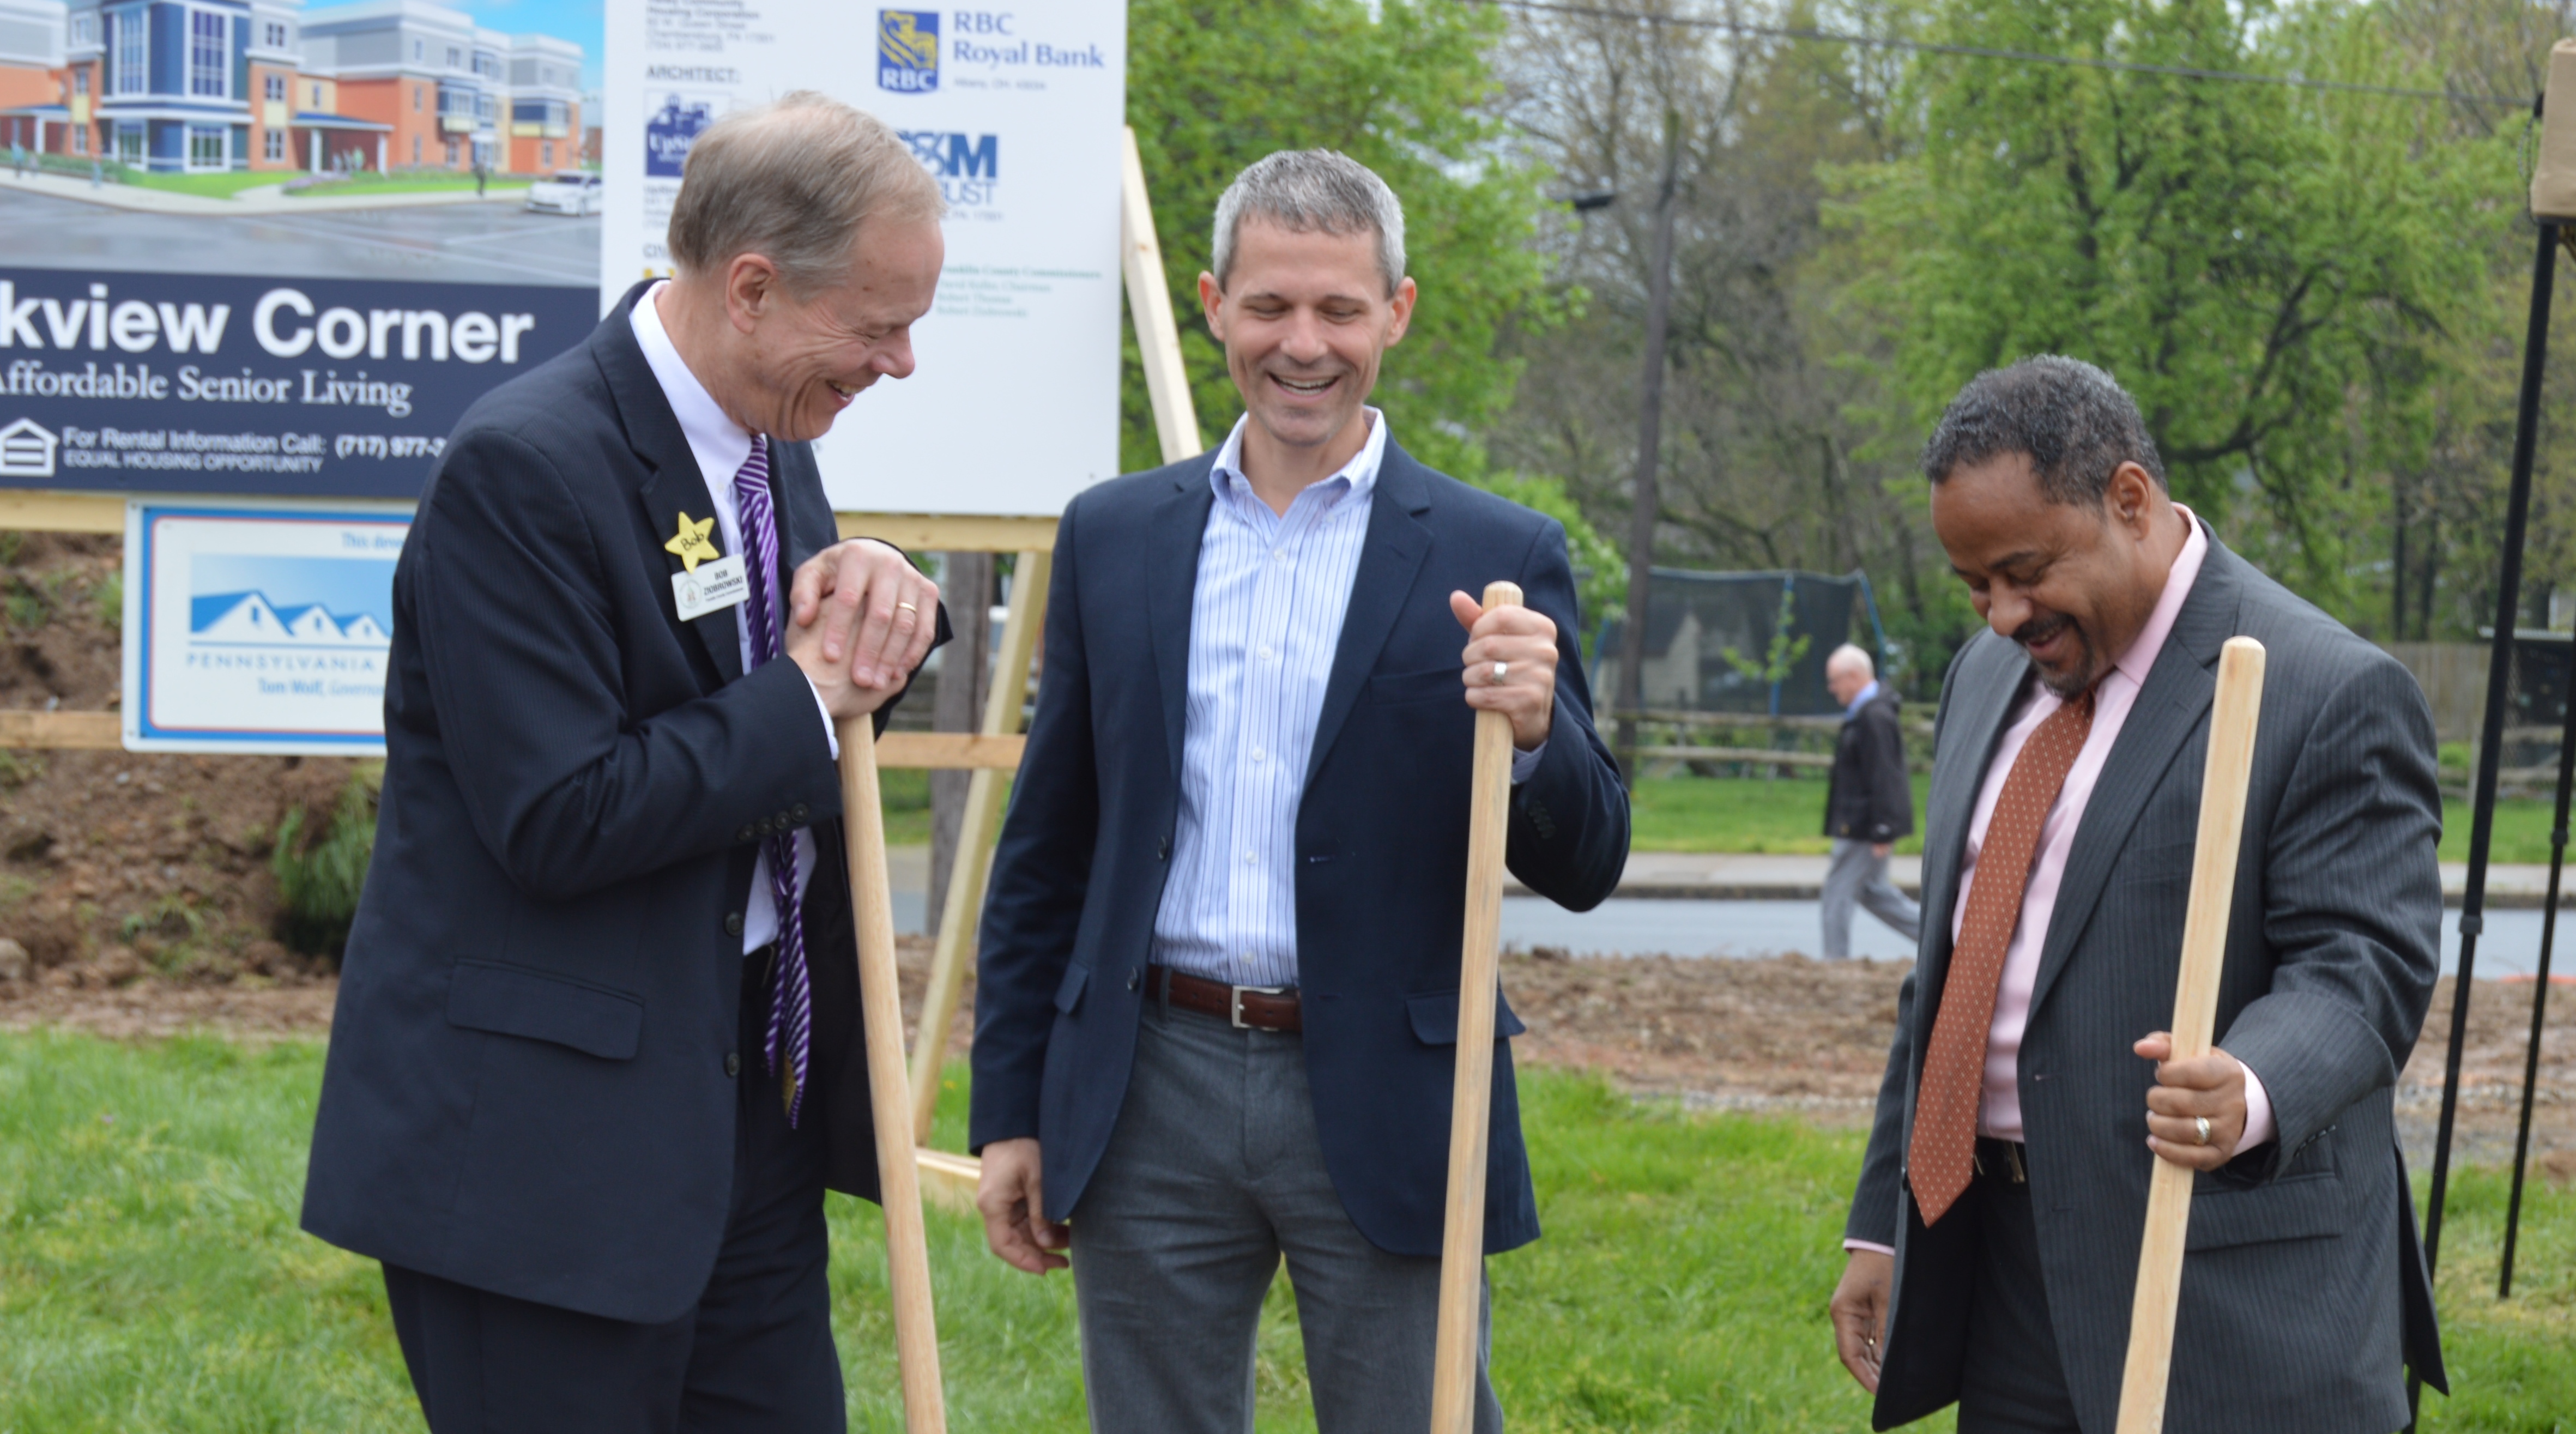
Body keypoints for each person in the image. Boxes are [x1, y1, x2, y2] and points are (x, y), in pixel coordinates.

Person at [299, 92, 952, 1432]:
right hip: (545, 1161)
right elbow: (562, 814)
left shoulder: (770, 437)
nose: (899, 362)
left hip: (737, 1111)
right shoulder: (522, 470)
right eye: (876, 325)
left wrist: (877, 595)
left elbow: (776, 691)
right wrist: (809, 693)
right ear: (753, 288)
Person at [970, 148, 1631, 1433]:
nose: (1304, 345)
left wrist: (1536, 732)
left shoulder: (1497, 553)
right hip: (1149, 1078)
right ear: (1214, 304)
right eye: (1270, 306)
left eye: (1340, 308)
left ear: (1398, 311)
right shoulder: (1113, 535)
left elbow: (1589, 856)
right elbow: (1048, 847)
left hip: (1390, 1089)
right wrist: (1010, 1109)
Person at [1826, 356, 2446, 1432]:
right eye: (1973, 584)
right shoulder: (1985, 676)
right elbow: (1953, 974)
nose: (2002, 614)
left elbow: (2362, 963)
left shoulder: (2325, 687)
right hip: (2005, 1277)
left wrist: (2251, 1080)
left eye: (2024, 571)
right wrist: (1885, 1220)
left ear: (2128, 498)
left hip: (2223, 1286)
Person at [1822, 643, 1923, 960]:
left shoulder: (1874, 716)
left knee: (1837, 893)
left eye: (1835, 681)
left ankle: (1834, 965)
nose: (1832, 689)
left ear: (1853, 676)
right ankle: (1946, 942)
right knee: (1875, 894)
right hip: (1863, 822)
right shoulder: (1867, 713)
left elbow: (1886, 775)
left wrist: (1883, 829)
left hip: (1864, 826)